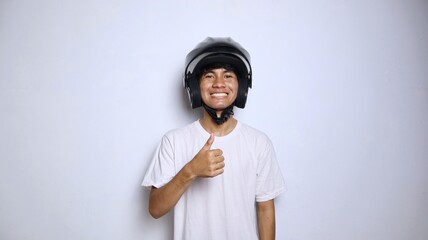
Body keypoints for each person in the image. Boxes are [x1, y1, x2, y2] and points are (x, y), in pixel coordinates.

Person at [142, 37, 286, 240]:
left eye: (228, 76)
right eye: (209, 76)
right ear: (195, 86)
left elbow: (265, 210)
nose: (219, 84)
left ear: (242, 85)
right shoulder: (174, 141)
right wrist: (190, 171)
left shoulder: (259, 143)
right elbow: (155, 209)